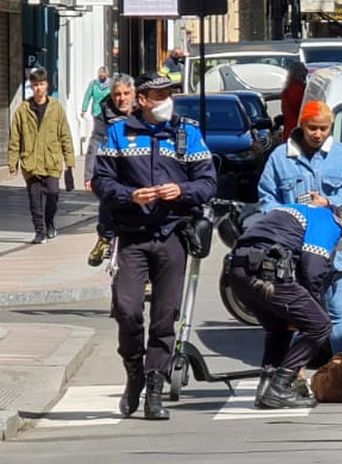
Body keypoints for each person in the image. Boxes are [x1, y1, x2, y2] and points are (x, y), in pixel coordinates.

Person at [93, 73, 217, 420]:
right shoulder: (118, 133)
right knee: (127, 309)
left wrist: (183, 191)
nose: (165, 101)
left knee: (165, 316)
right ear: (141, 100)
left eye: (168, 94)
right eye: (158, 95)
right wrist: (128, 195)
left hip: (172, 234)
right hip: (131, 234)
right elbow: (102, 180)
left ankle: (155, 386)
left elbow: (208, 182)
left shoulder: (186, 133)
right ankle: (134, 372)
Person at [225, 203, 342, 409]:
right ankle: (280, 387)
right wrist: (311, 309)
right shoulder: (330, 223)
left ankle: (267, 389)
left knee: (279, 328)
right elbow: (313, 268)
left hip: (238, 272)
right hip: (267, 273)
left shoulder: (302, 211)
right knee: (319, 325)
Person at [257, 101, 342, 355]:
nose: (318, 134)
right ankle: (290, 373)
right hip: (293, 253)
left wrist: (329, 202)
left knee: (337, 313)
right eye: (312, 128)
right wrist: (290, 214)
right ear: (301, 126)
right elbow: (266, 198)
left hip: (335, 251)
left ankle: (340, 366)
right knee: (294, 316)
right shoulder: (280, 158)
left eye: (324, 129)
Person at [8, 67, 75, 245]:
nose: (39, 88)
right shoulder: (22, 110)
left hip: (52, 160)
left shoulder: (56, 108)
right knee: (34, 198)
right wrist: (12, 162)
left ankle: (49, 222)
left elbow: (65, 135)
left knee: (53, 193)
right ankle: (39, 231)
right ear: (31, 86)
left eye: (42, 84)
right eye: (35, 84)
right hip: (30, 162)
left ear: (47, 85)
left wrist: (70, 161)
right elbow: (15, 137)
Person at [86, 74, 137, 266]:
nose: (122, 98)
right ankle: (105, 238)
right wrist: (89, 175)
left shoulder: (143, 112)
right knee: (107, 193)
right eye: (117, 94)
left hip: (139, 168)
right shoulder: (105, 114)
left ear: (133, 93)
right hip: (114, 167)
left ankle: (148, 276)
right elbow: (95, 142)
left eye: (126, 93)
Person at [281, 62, 308, 137]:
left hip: (289, 127)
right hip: (297, 128)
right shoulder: (297, 89)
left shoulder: (287, 89)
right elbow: (301, 107)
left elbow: (284, 109)